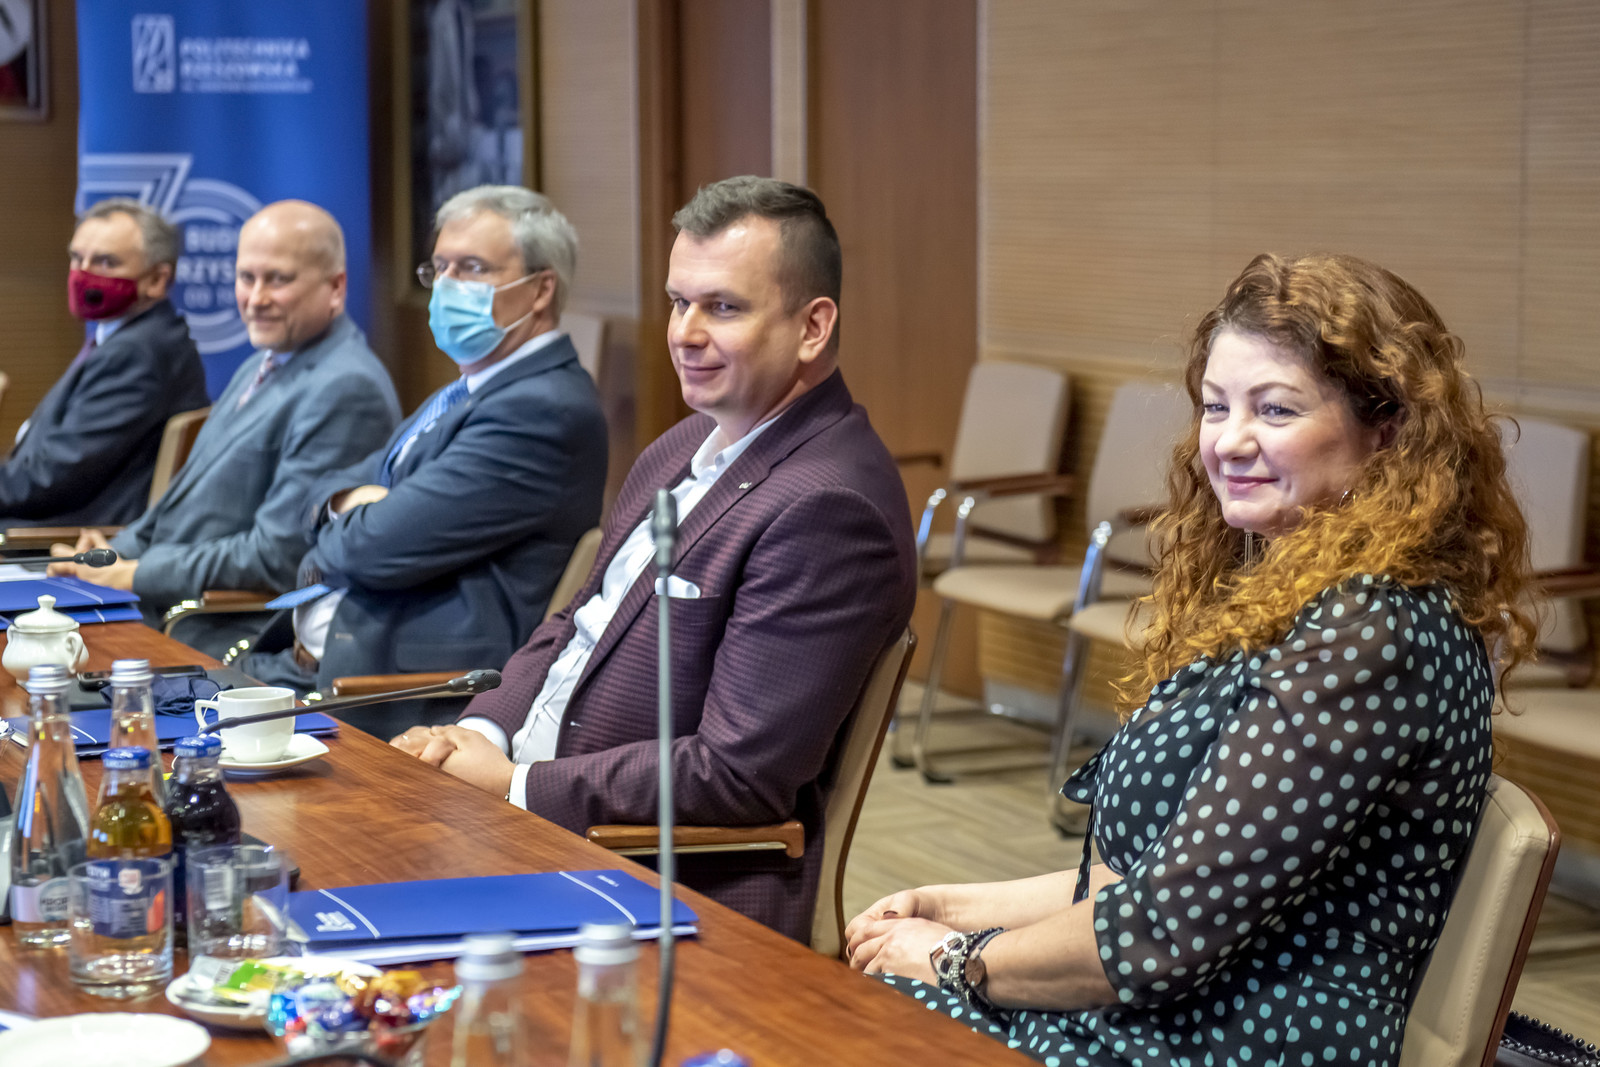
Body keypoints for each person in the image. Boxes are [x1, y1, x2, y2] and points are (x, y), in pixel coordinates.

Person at [844, 253, 1536, 1067]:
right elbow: (1145, 880)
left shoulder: (1373, 633)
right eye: (1215, 405)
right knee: (837, 1006)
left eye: (1274, 409)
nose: (1229, 441)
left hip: (1232, 1043)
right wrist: (951, 907)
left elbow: (1160, 935)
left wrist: (957, 957)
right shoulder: (1290, 598)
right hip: (1161, 1015)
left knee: (845, 1026)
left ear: (1385, 429)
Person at [391, 176, 918, 940]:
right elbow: (577, 621)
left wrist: (515, 786)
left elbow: (736, 775)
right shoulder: (684, 442)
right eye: (679, 302)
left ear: (813, 326)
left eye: (722, 307)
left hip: (643, 881)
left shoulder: (829, 508)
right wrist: (482, 733)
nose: (685, 333)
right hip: (526, 818)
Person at [244, 186, 607, 735]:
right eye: (440, 267)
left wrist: (357, 517)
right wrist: (350, 500)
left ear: (540, 289)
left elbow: (366, 549)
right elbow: (321, 492)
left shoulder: (540, 410)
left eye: (472, 268)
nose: (447, 285)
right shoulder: (471, 388)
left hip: (390, 697)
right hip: (315, 668)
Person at [49, 200, 401, 655]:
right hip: (155, 606)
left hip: (214, 632)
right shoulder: (263, 362)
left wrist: (134, 573)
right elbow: (177, 511)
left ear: (335, 287)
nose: (256, 299)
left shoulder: (347, 388)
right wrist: (105, 557)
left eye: (278, 279)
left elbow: (277, 557)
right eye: (246, 277)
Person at [0, 198, 207, 525]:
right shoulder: (134, 337)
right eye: (77, 258)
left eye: (106, 262)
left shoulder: (137, 354)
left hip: (65, 537)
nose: (83, 274)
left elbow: (52, 476)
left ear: (156, 279)